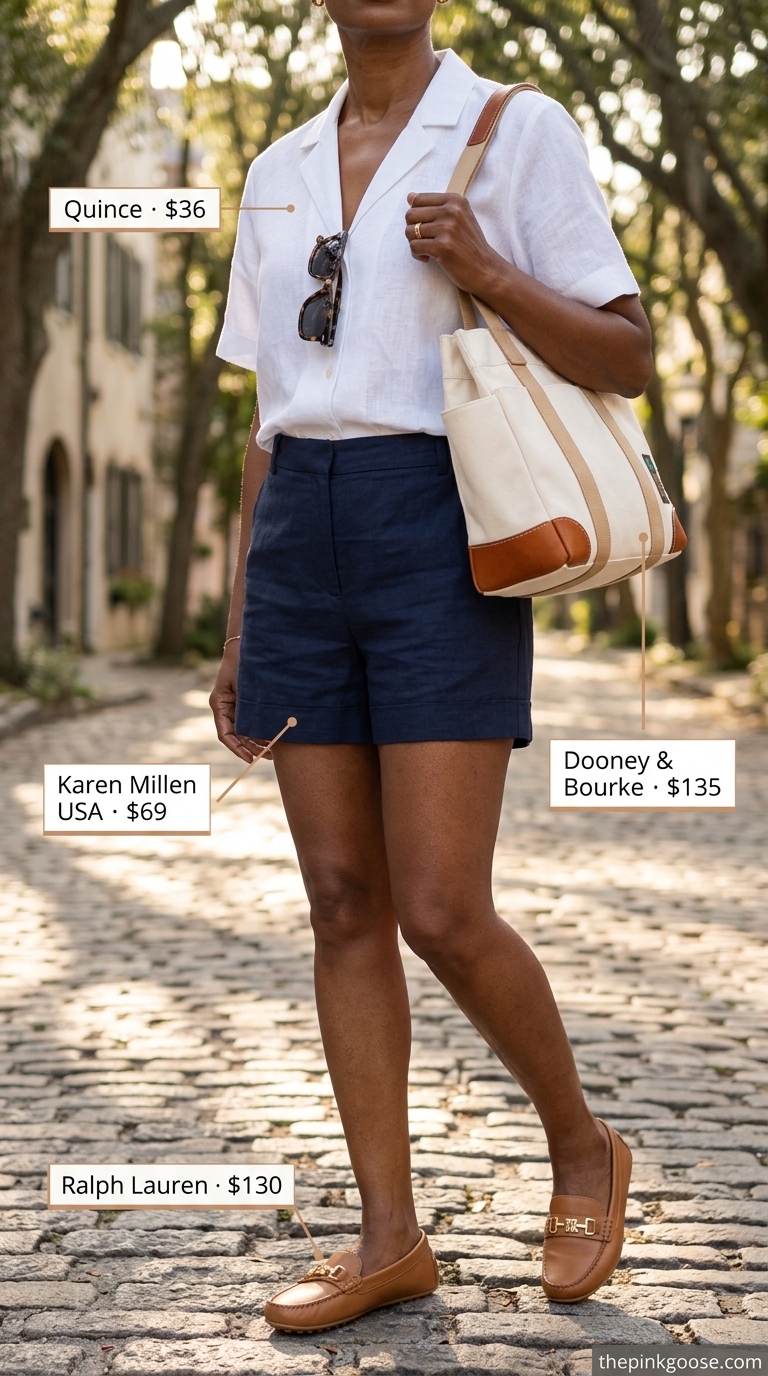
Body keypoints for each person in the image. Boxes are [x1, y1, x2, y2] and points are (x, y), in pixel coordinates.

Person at [210, 0, 650, 1333]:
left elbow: (627, 352)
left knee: (442, 908)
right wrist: (241, 625)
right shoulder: (276, 171)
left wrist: (490, 270)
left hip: (438, 522)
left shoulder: (517, 128)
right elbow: (268, 418)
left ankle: (582, 1144)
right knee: (343, 903)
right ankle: (389, 1239)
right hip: (299, 537)